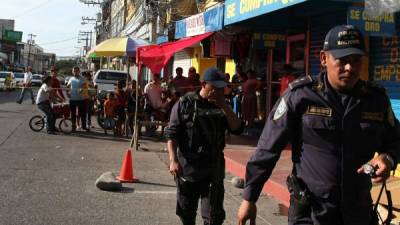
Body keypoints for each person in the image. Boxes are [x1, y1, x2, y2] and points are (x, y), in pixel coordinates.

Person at [237, 25, 400, 225]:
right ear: (324, 58)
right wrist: (249, 198)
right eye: (343, 60)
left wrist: (388, 158)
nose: (350, 67)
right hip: (311, 213)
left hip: (358, 212)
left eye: (356, 60)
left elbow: (395, 140)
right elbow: (267, 149)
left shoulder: (376, 99)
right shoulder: (300, 96)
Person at [165, 67, 244, 225]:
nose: (219, 91)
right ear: (203, 84)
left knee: (214, 218)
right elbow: (172, 134)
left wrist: (223, 106)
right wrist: (173, 160)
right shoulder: (185, 103)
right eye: (215, 87)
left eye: (222, 88)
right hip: (188, 169)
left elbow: (237, 129)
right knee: (186, 215)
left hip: (213, 171)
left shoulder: (223, 106)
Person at [67, 66, 88, 132]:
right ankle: (73, 127)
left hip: (81, 99)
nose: (75, 72)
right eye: (74, 71)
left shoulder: (83, 78)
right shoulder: (71, 79)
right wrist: (68, 93)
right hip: (73, 99)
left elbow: (84, 86)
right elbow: (68, 87)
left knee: (83, 114)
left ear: (79, 71)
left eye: (77, 71)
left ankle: (84, 127)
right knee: (73, 114)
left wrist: (81, 89)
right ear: (72, 72)